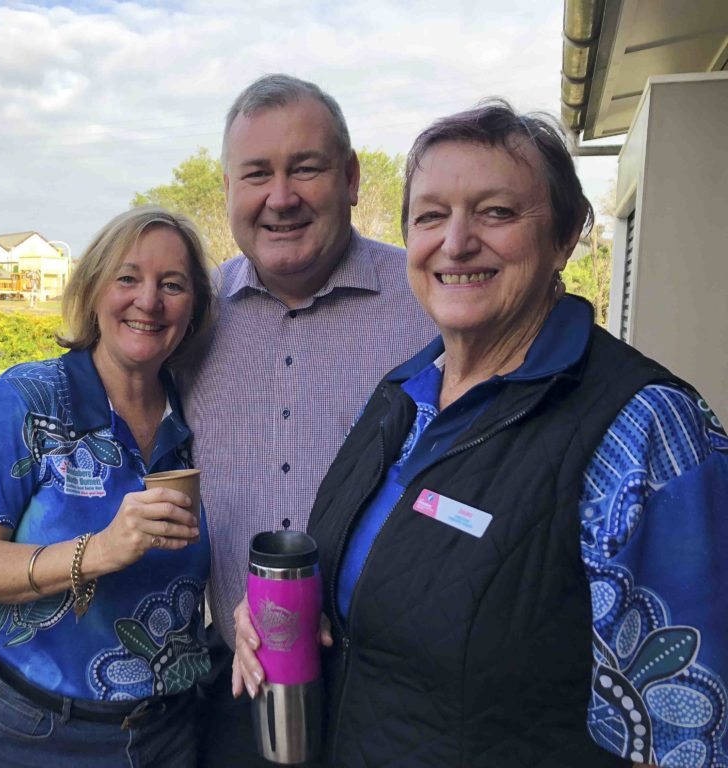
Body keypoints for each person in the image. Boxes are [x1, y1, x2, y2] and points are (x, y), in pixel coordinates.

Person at [232, 101, 728, 767]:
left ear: (565, 233)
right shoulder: (400, 398)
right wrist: (277, 619)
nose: (457, 242)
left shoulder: (644, 432)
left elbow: (681, 737)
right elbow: (378, 587)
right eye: (431, 216)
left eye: (495, 212)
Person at [181, 74, 437, 765]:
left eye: (306, 169)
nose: (281, 197)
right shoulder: (188, 318)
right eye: (256, 174)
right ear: (229, 190)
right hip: (240, 685)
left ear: (352, 177)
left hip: (393, 695)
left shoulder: (430, 304)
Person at [0, 206, 216, 767]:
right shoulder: (27, 401)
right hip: (37, 732)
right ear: (93, 291)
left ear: (194, 310)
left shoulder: (198, 411)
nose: (149, 300)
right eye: (128, 278)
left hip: (173, 732)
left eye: (173, 285)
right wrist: (98, 552)